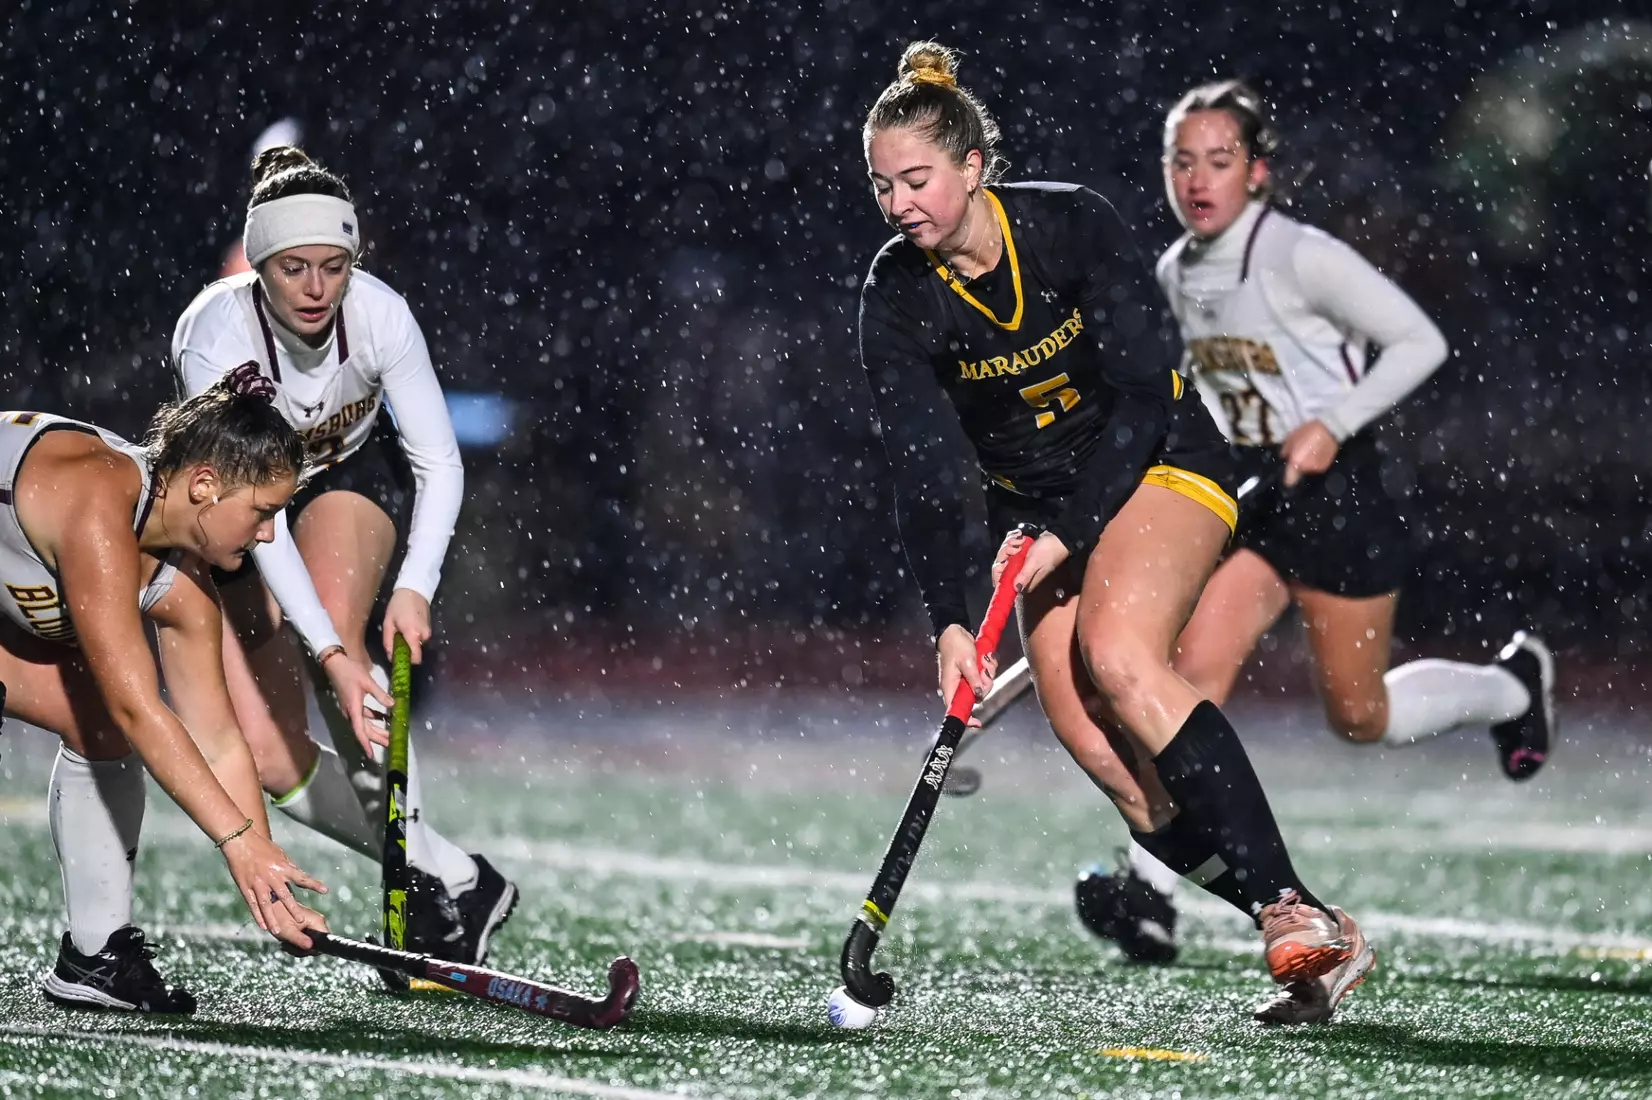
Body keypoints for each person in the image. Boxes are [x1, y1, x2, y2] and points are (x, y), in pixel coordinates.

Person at [858, 42, 1372, 1025]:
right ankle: (1311, 935)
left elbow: (1140, 398)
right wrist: (949, 622)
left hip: (1159, 461)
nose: (898, 203)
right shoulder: (894, 295)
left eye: (916, 179)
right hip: (1036, 507)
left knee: (1120, 654)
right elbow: (923, 475)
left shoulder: (1069, 226)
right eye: (881, 185)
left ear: (972, 168)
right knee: (1104, 751)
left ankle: (1284, 906)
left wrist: (1061, 534)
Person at [1073, 82, 1554, 1013]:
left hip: (1335, 497)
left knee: (1359, 714)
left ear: (1257, 171)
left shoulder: (1301, 255)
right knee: (1179, 678)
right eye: (1182, 161)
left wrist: (1332, 424)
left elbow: (1420, 342)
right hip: (1248, 500)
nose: (1198, 180)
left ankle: (1512, 689)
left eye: (1219, 161)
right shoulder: (1177, 271)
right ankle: (1157, 891)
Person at [171, 145, 516, 964]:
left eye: (335, 266)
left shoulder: (381, 315)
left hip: (351, 479)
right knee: (260, 755)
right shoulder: (214, 341)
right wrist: (321, 649)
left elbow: (439, 462)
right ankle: (452, 875)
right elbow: (259, 518)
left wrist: (415, 588)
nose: (318, 289)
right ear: (259, 264)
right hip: (244, 507)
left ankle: (431, 887)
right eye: (295, 268)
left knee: (342, 639)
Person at [0, 367, 337, 1012]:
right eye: (263, 512)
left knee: (97, 726)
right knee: (118, 712)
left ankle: (93, 959)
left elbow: (219, 742)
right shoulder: (99, 502)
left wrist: (264, 868)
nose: (269, 535)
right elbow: (140, 707)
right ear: (205, 486)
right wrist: (235, 843)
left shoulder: (184, 593)